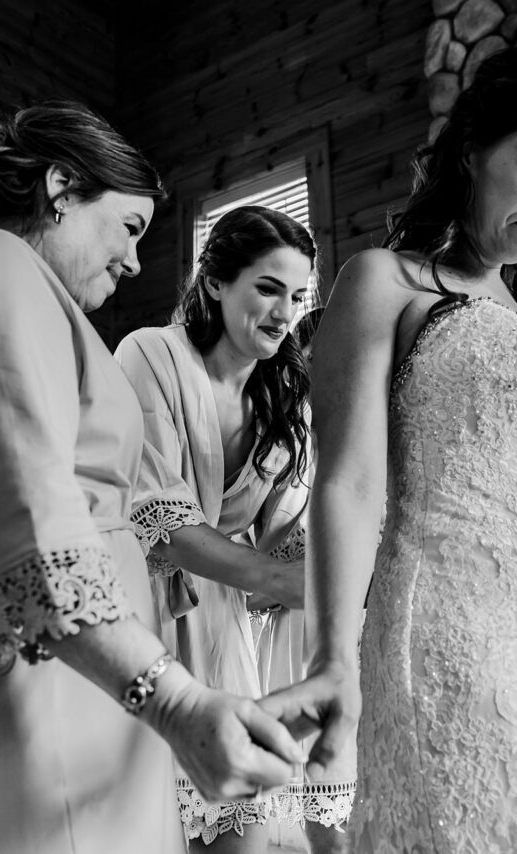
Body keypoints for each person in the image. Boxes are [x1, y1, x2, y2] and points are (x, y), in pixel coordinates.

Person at [0, 103, 304, 854]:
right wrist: (175, 701)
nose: (136, 263)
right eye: (131, 228)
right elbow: (20, 501)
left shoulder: (31, 298)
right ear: (60, 187)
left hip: (64, 695)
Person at [262, 47, 517, 852]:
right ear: (473, 150)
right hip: (455, 622)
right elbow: (347, 484)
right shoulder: (385, 281)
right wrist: (332, 659)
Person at [117, 206, 355, 854]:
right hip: (138, 610)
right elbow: (158, 520)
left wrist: (342, 569)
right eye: (269, 289)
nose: (285, 312)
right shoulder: (150, 355)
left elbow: (288, 529)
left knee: (238, 829)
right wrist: (280, 576)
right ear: (217, 282)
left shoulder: (282, 404)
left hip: (220, 623)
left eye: (298, 295)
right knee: (140, 819)